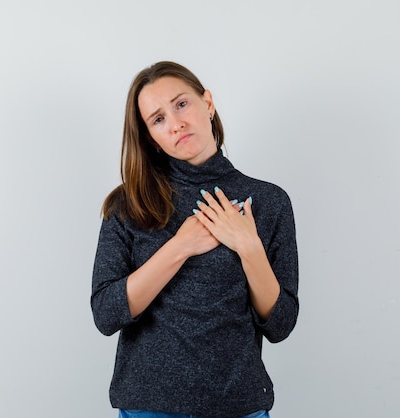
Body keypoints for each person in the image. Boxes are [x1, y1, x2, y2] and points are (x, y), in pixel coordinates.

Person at [91, 61, 299, 418]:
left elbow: (280, 324)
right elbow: (106, 314)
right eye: (158, 119)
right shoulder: (128, 205)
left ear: (208, 103)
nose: (176, 123)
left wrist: (248, 246)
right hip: (149, 406)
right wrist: (180, 246)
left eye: (181, 104)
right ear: (150, 138)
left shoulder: (268, 202)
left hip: (239, 404)